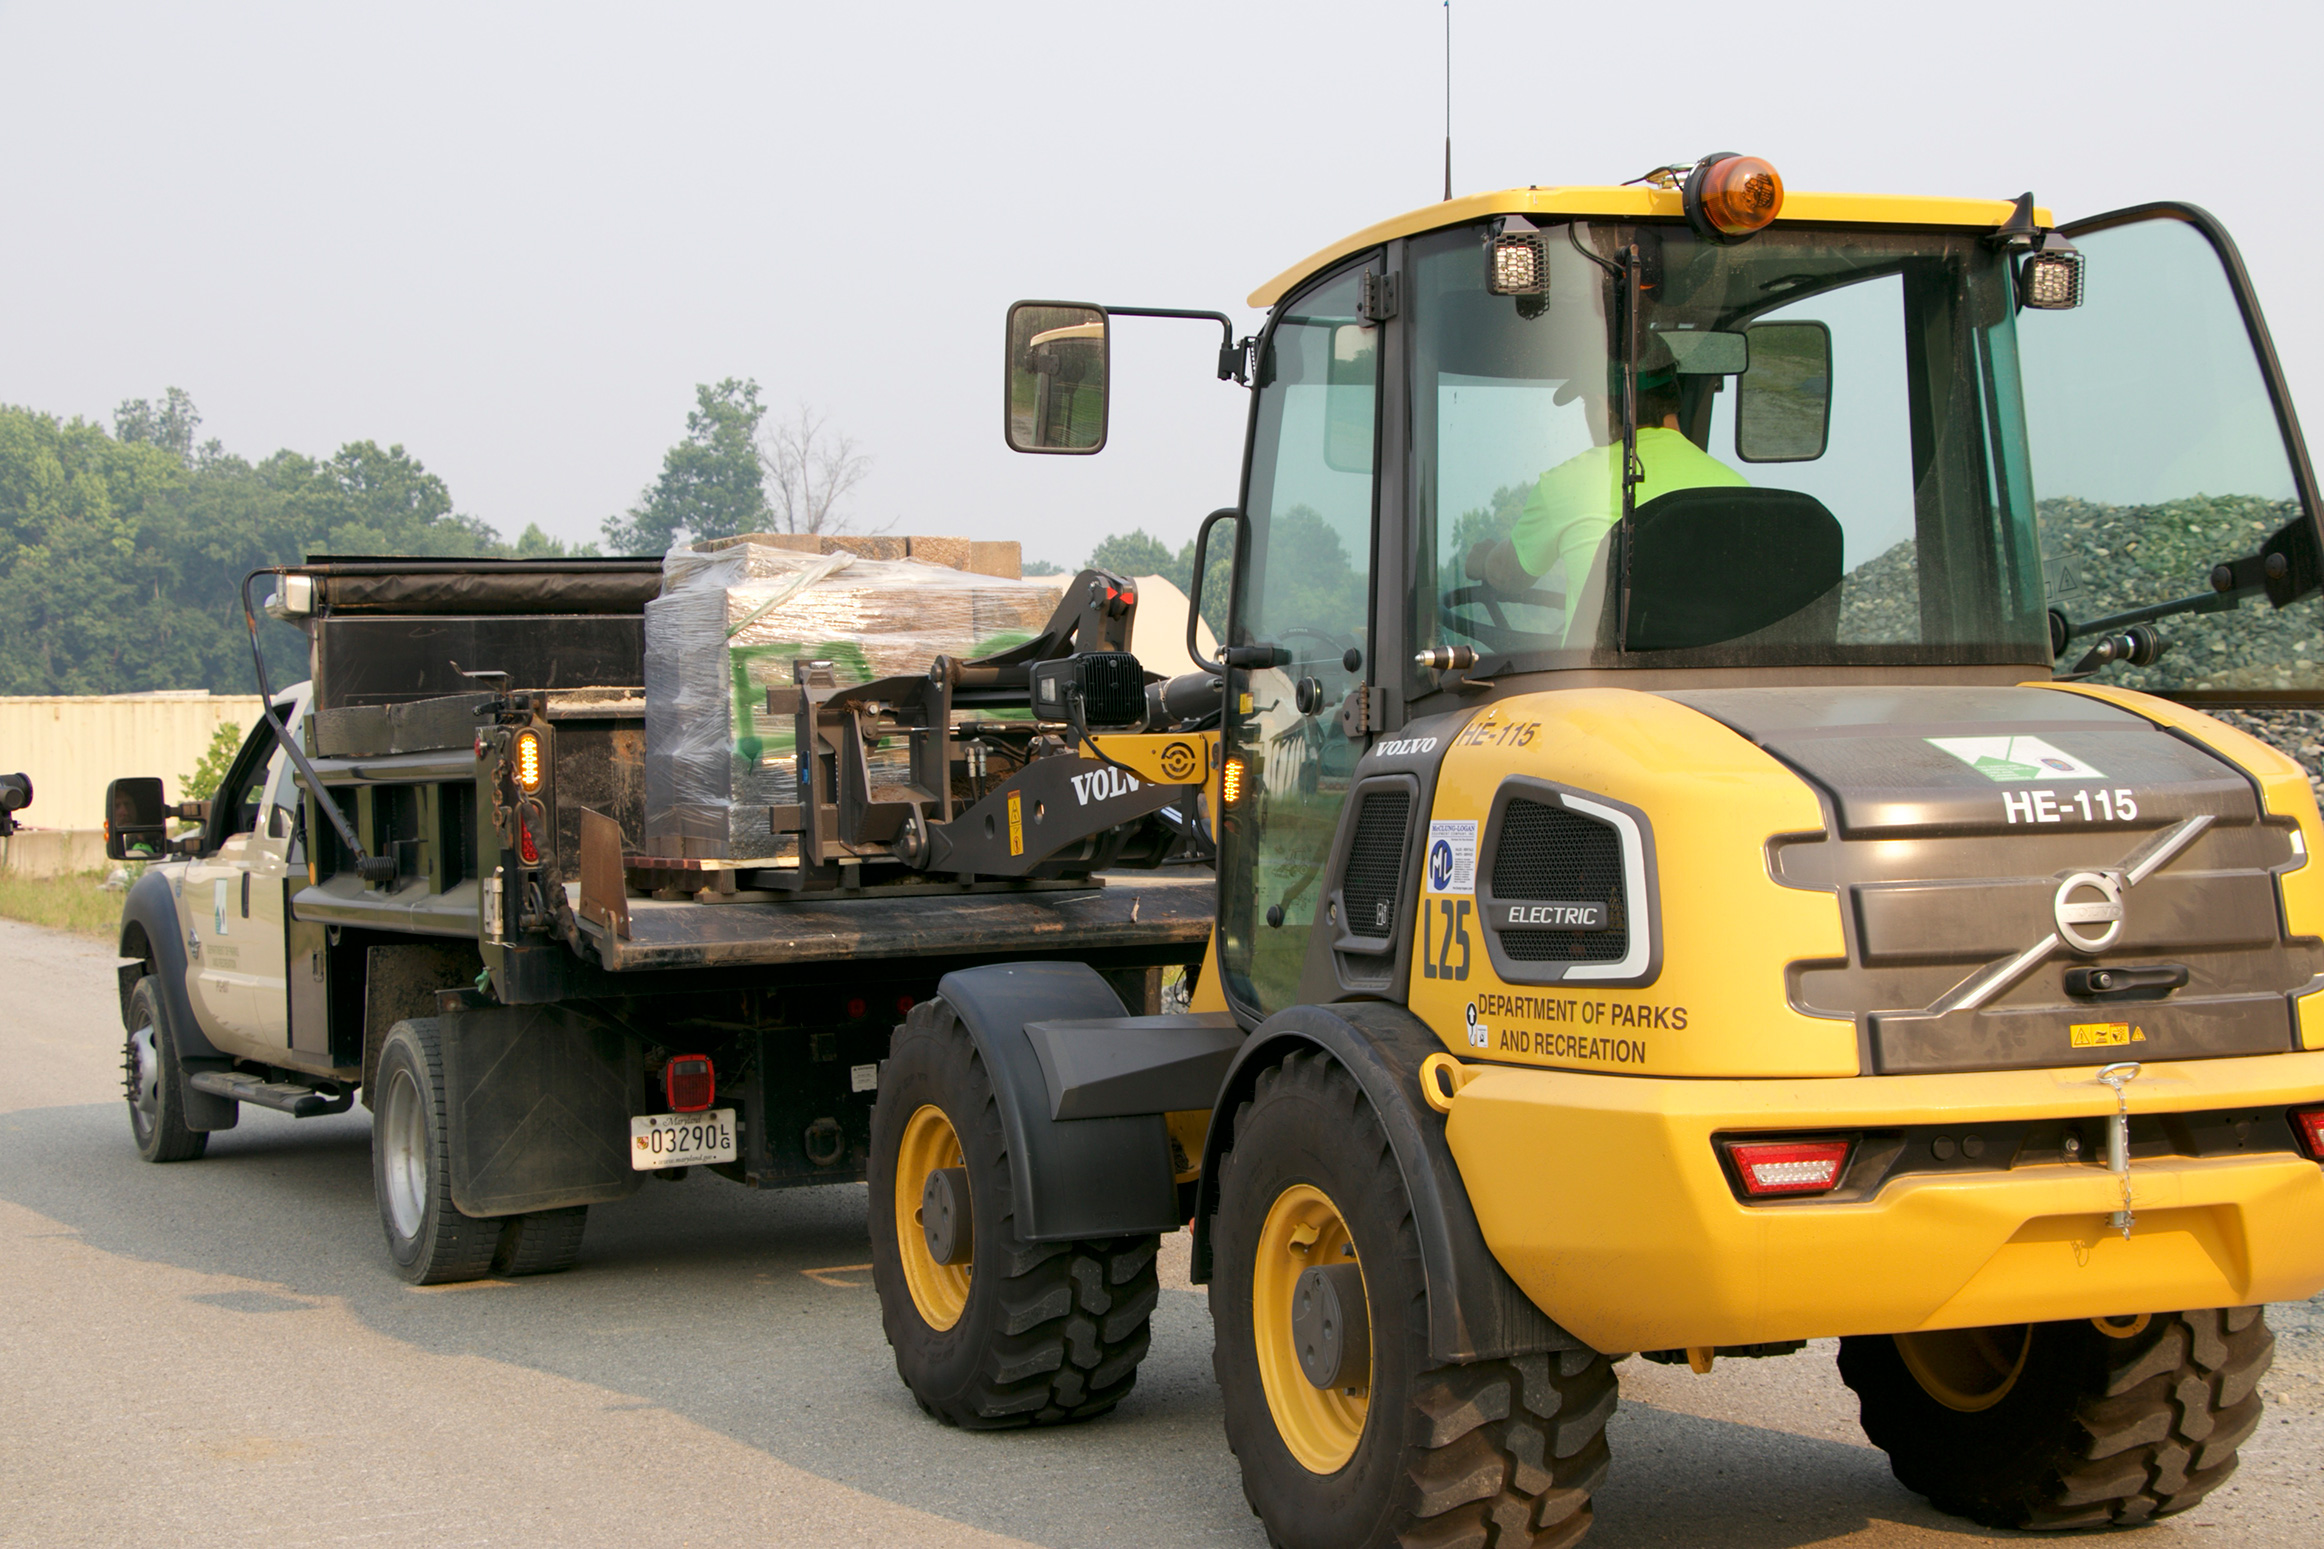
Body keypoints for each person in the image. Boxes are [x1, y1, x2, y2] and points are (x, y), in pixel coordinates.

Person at [1465, 358, 1747, 621]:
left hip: (1595, 673)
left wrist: (1483, 561)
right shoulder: (1737, 488)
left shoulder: (1566, 483)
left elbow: (1509, 575)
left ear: (1601, 405)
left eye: (1587, 403)